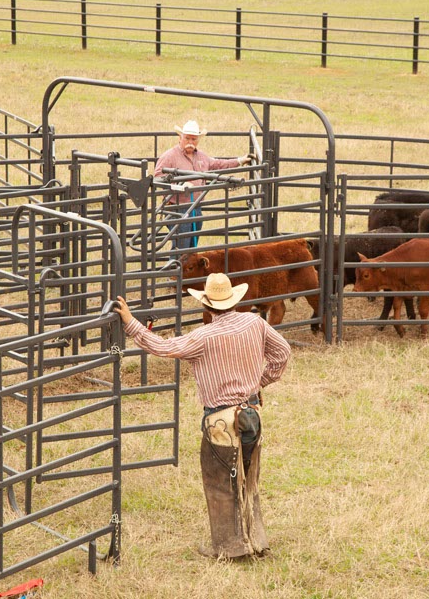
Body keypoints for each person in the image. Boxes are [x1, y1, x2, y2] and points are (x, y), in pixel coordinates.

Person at [114, 273, 291, 560]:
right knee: (249, 478)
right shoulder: (254, 323)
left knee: (221, 481)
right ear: (233, 300)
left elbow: (163, 347)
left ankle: (229, 547)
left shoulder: (203, 337)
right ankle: (256, 541)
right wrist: (260, 383)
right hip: (252, 413)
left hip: (220, 420)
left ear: (208, 306)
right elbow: (282, 352)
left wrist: (131, 323)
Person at [155, 119, 254, 250]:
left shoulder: (202, 157)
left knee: (192, 245)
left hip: (196, 207)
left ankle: (185, 269)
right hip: (177, 208)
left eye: (194, 139)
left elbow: (218, 164)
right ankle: (175, 269)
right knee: (182, 246)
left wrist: (239, 161)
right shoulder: (169, 156)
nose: (190, 142)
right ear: (180, 137)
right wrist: (179, 184)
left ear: (198, 140)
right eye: (187, 138)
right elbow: (157, 178)